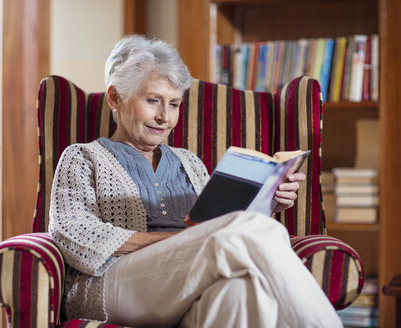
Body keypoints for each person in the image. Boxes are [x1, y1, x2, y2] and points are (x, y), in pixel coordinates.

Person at [49, 35, 342, 328]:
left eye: (174, 104)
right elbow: (73, 234)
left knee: (239, 291)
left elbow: (220, 227)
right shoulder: (82, 157)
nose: (165, 117)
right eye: (153, 101)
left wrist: (268, 202)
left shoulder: (189, 162)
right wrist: (181, 240)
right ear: (115, 98)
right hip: (109, 283)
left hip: (188, 278)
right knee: (246, 235)